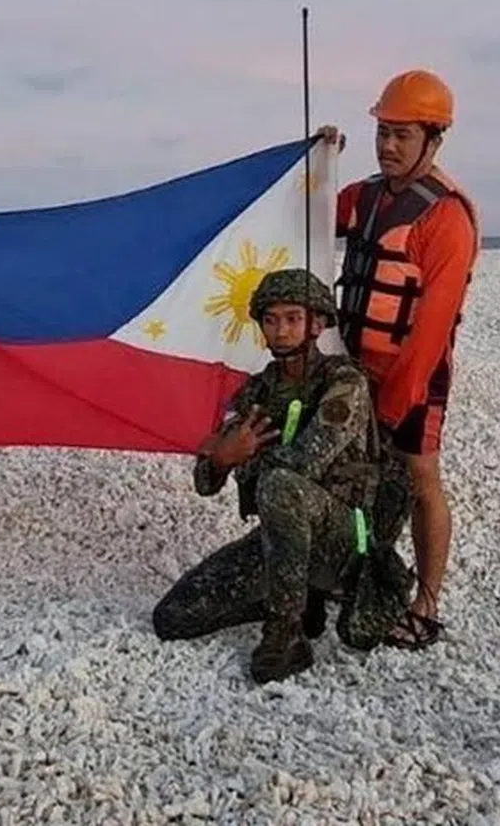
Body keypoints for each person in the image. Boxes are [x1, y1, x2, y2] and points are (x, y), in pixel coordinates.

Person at [151, 269, 409, 683]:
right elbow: (205, 481)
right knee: (174, 617)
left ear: (317, 324)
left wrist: (236, 454)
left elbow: (306, 462)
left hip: (343, 543)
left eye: (292, 318)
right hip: (282, 540)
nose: (281, 330)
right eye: (271, 320)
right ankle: (293, 596)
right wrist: (221, 460)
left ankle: (285, 636)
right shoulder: (257, 391)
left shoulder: (344, 382)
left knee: (280, 484)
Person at [319, 68, 479, 650]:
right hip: (353, 366)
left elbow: (430, 331)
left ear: (434, 138)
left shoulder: (446, 218)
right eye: (382, 131)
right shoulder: (363, 197)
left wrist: (392, 403)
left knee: (418, 476)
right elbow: (308, 213)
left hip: (413, 373)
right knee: (351, 475)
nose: (387, 145)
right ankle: (348, 570)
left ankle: (426, 602)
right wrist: (318, 161)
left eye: (402, 134)